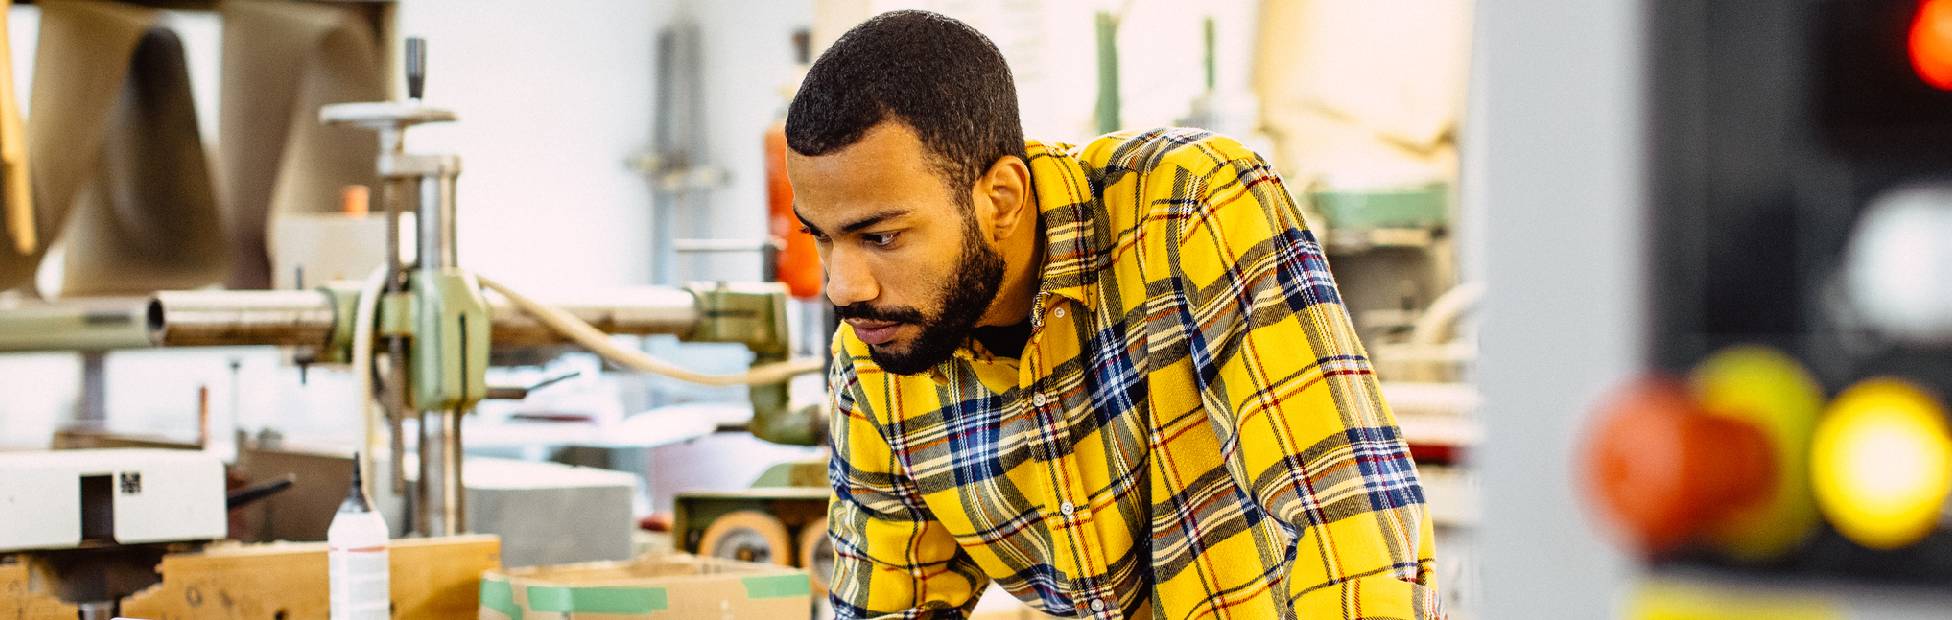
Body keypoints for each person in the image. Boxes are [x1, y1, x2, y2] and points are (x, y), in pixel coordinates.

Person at [786, 10, 1438, 619]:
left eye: (880, 237)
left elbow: (1350, 523)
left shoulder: (1189, 214)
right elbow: (888, 604)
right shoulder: (878, 359)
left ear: (1001, 199)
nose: (843, 287)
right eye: (821, 236)